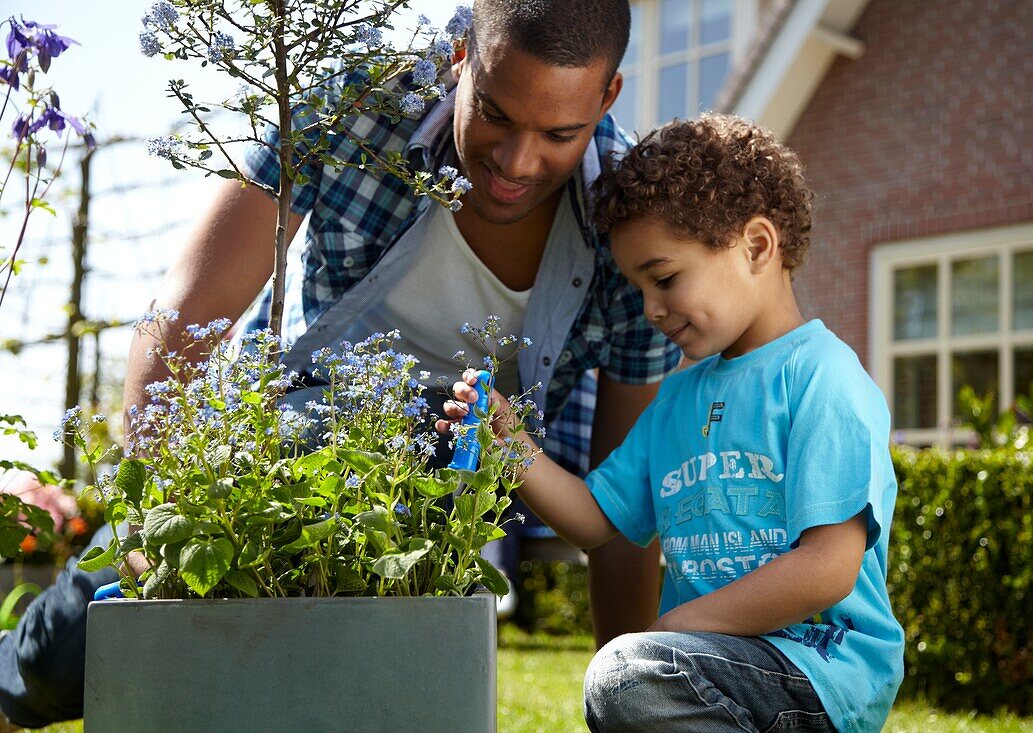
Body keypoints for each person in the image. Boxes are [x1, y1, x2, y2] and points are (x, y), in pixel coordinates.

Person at [0, 1, 681, 728]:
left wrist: (627, 711)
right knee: (63, 653)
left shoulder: (636, 223)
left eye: (558, 133)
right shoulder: (356, 100)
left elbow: (626, 502)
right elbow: (183, 315)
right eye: (493, 112)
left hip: (459, 482)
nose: (517, 162)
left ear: (607, 96)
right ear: (461, 58)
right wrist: (148, 520)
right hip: (279, 442)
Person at [442, 115, 905, 732]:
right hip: (703, 665)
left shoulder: (823, 377)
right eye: (637, 289)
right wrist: (510, 443)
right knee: (631, 681)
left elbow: (827, 568)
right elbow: (593, 519)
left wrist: (673, 629)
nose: (651, 309)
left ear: (757, 246)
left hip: (820, 669)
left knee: (629, 677)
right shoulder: (677, 400)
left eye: (664, 278)